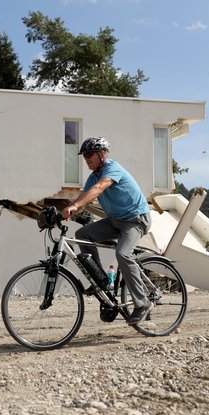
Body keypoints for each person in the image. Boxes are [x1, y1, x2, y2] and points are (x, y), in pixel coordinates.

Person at [61, 137, 153, 325]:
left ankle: (143, 303)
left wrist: (75, 206)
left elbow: (99, 188)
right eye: (84, 156)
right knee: (82, 234)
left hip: (136, 220)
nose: (86, 159)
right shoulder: (93, 176)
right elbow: (84, 196)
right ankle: (100, 280)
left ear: (102, 154)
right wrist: (66, 211)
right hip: (115, 221)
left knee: (123, 254)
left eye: (89, 155)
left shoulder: (112, 169)